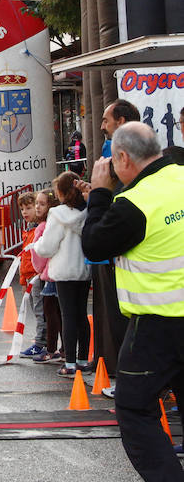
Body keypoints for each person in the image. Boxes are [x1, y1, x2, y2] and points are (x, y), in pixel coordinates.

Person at [80, 122, 184, 480]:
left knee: (135, 409)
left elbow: (93, 247)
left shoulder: (133, 204)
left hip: (157, 326)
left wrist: (98, 194)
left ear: (122, 158)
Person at [90, 99, 140, 383]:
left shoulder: (127, 152)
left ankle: (130, 380)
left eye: (106, 120)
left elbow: (96, 238)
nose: (101, 126)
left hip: (128, 260)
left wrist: (98, 197)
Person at [30, 172, 91, 378]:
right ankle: (82, 359)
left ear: (61, 192)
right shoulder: (87, 212)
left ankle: (70, 363)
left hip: (63, 271)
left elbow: (47, 247)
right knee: (81, 315)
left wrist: (36, 245)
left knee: (68, 316)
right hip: (83, 270)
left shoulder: (57, 214)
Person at [29, 190, 64, 364]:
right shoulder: (58, 223)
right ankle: (64, 349)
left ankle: (50, 350)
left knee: (50, 315)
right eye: (37, 203)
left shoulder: (43, 227)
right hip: (59, 274)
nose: (37, 207)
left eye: (42, 204)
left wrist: (39, 270)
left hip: (49, 275)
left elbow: (39, 253)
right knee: (61, 314)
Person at [17, 192, 48, 359]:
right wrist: (23, 280)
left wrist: (35, 276)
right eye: (22, 209)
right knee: (37, 310)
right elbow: (24, 259)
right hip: (30, 277)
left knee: (40, 311)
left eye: (29, 208)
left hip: (37, 276)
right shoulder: (28, 231)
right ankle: (42, 342)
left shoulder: (39, 230)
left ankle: (40, 343)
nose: (25, 212)